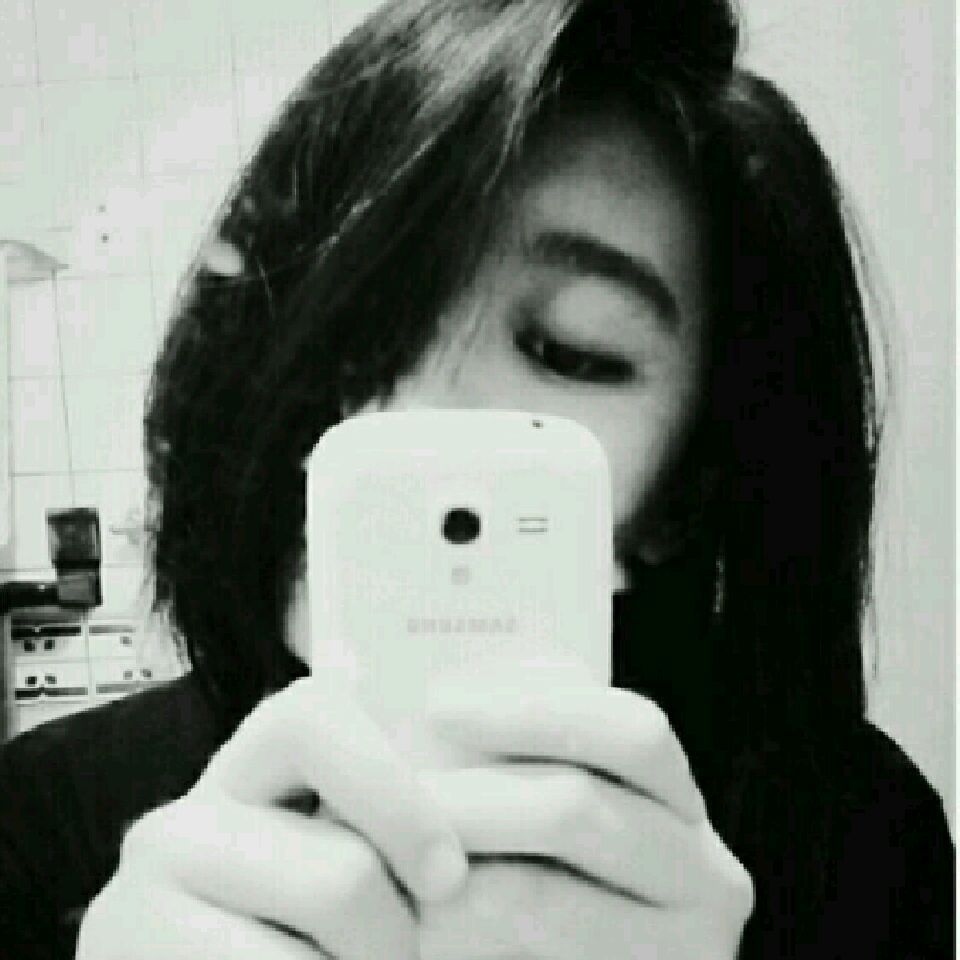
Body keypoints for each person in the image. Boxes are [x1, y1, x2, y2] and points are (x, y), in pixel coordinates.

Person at [0, 0, 953, 957]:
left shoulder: (853, 845)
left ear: (683, 491)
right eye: (362, 313)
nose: (413, 410)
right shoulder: (48, 822)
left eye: (571, 350)